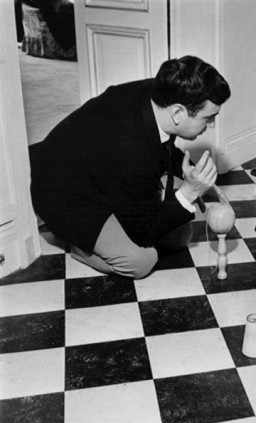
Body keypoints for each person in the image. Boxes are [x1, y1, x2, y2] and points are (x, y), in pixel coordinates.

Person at [29, 55, 230, 279]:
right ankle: (79, 247)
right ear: (177, 113)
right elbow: (143, 232)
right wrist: (190, 191)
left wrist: (190, 171)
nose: (211, 124)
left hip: (100, 174)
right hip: (63, 193)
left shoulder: (162, 94)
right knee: (141, 262)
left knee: (180, 235)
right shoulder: (129, 148)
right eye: (208, 118)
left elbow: (161, 143)